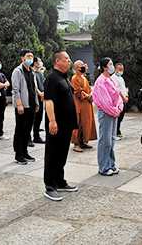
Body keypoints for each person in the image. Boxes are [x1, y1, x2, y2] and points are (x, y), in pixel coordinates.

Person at [43, 51, 78, 201]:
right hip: (56, 123)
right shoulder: (52, 78)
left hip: (66, 123)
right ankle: (50, 186)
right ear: (58, 61)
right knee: (53, 153)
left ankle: (60, 181)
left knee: (62, 153)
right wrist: (52, 120)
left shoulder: (64, 77)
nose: (69, 61)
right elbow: (49, 101)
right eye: (66, 59)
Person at [92, 57, 123, 176]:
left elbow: (118, 95)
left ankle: (111, 164)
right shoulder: (101, 82)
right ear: (104, 67)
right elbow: (104, 101)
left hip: (114, 112)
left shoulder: (110, 79)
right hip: (106, 113)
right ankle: (104, 167)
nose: (112, 66)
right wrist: (115, 111)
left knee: (112, 140)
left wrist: (119, 107)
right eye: (110, 64)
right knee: (105, 141)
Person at [11, 49, 39, 165]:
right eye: (28, 56)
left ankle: (25, 152)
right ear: (22, 58)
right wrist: (19, 104)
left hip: (31, 104)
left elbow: (34, 88)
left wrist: (36, 103)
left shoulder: (32, 71)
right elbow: (15, 89)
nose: (30, 58)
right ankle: (18, 154)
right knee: (20, 129)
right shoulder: (18, 71)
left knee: (27, 130)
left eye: (32, 56)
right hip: (22, 105)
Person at [71, 60, 97, 152]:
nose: (84, 66)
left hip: (87, 104)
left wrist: (90, 94)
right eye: (82, 65)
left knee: (86, 123)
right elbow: (77, 91)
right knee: (79, 124)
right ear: (77, 68)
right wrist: (87, 95)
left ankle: (82, 142)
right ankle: (76, 144)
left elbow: (89, 89)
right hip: (80, 105)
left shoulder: (84, 77)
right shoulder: (75, 78)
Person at [111, 63, 128, 140]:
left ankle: (118, 132)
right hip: (118, 101)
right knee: (117, 117)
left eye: (122, 69)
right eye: (119, 69)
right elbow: (117, 90)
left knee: (121, 117)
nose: (121, 71)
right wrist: (123, 98)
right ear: (115, 69)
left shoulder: (121, 77)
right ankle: (115, 133)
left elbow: (124, 88)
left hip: (123, 100)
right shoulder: (113, 78)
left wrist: (126, 96)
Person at [32, 56, 45, 144]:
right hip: (34, 98)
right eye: (39, 61)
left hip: (41, 98)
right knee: (32, 118)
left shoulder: (40, 72)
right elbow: (33, 85)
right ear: (35, 63)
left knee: (39, 118)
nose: (40, 63)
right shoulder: (31, 73)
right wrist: (39, 93)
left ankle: (36, 136)